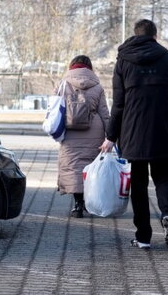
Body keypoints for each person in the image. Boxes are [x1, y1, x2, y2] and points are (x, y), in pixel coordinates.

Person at [100, 19, 168, 249]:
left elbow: (118, 104)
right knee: (164, 178)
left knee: (139, 184)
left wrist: (110, 137)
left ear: (136, 34)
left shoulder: (123, 60)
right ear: (155, 35)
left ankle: (143, 237)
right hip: (164, 130)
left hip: (133, 132)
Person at [57, 55, 110, 218]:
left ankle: (77, 205)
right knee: (91, 168)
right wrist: (111, 136)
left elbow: (54, 109)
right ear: (89, 68)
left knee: (74, 168)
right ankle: (89, 202)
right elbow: (104, 113)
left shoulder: (63, 84)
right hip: (94, 131)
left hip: (70, 132)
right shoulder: (98, 87)